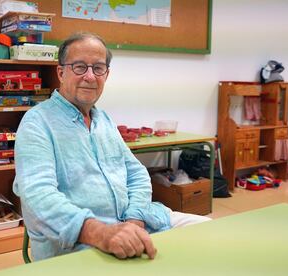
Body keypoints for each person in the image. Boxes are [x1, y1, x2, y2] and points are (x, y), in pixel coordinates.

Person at [13, 32, 210, 261]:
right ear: (61, 72)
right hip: (77, 245)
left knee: (211, 234)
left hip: (138, 224)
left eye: (98, 68)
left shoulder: (103, 120)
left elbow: (136, 174)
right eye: (79, 67)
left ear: (106, 74)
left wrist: (134, 220)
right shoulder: (37, 122)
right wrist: (103, 233)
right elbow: (38, 197)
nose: (90, 76)